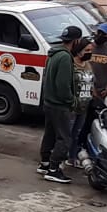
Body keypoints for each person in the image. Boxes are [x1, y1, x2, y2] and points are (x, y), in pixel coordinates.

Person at [38, 25, 82, 183]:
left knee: (49, 134)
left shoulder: (54, 53)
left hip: (49, 102)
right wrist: (72, 101)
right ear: (76, 41)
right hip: (59, 104)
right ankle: (54, 169)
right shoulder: (64, 57)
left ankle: (45, 163)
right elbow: (63, 85)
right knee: (64, 138)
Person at [68, 38, 96, 168]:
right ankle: (60, 158)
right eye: (87, 50)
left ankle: (72, 158)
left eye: (91, 50)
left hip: (84, 106)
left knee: (77, 134)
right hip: (72, 107)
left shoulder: (88, 64)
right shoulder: (71, 64)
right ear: (79, 51)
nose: (90, 53)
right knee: (67, 133)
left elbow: (91, 82)